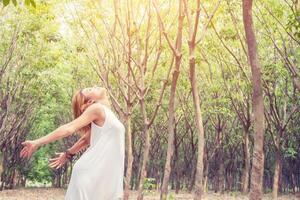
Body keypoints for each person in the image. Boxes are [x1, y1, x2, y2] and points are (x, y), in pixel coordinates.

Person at [20, 86, 125, 200]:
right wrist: (36, 142)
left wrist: (67, 154)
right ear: (90, 101)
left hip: (100, 178)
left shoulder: (106, 114)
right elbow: (68, 128)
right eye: (89, 90)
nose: (94, 87)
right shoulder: (97, 108)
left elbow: (85, 140)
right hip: (90, 175)